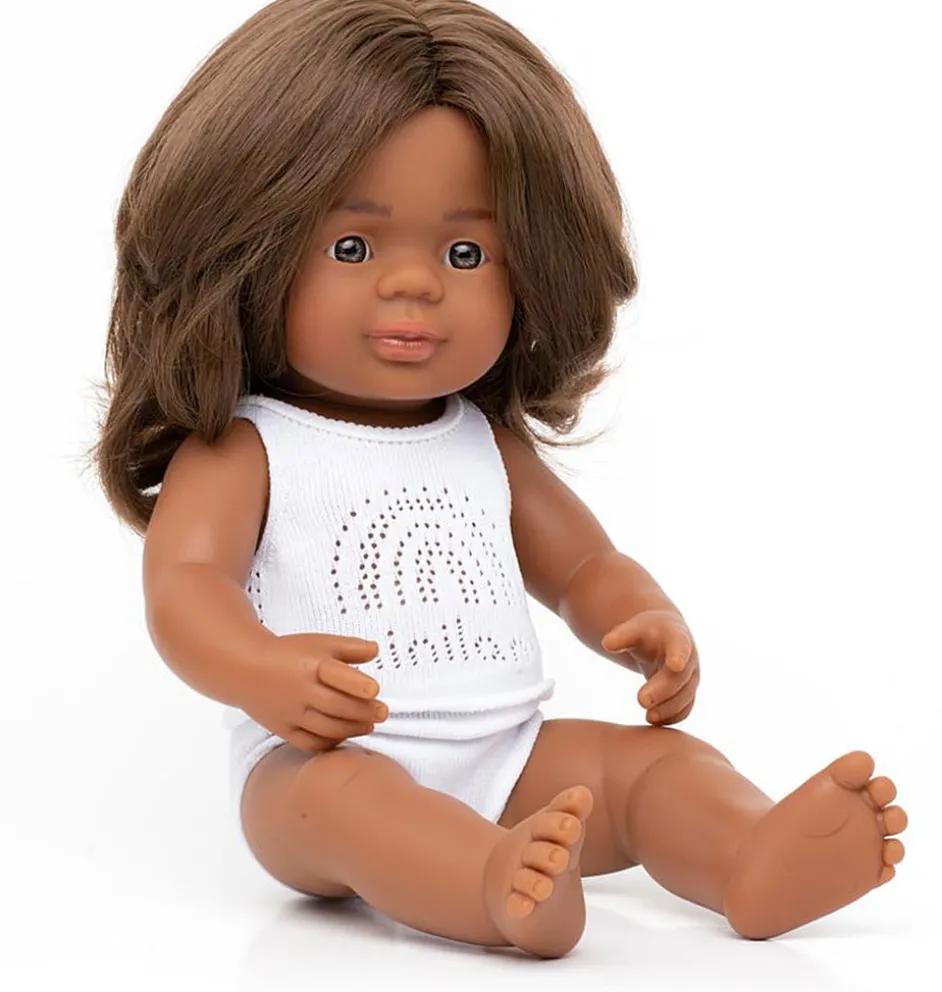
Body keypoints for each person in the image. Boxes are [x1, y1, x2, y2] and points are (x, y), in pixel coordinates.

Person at [90, 0, 907, 959]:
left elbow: (581, 562)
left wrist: (639, 616)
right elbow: (186, 588)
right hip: (313, 762)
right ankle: (491, 887)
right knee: (354, 804)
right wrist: (258, 671)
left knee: (654, 767)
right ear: (247, 253)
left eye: (466, 253)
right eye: (352, 248)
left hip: (511, 755)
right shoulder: (246, 447)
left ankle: (748, 855)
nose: (415, 284)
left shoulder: (481, 441)